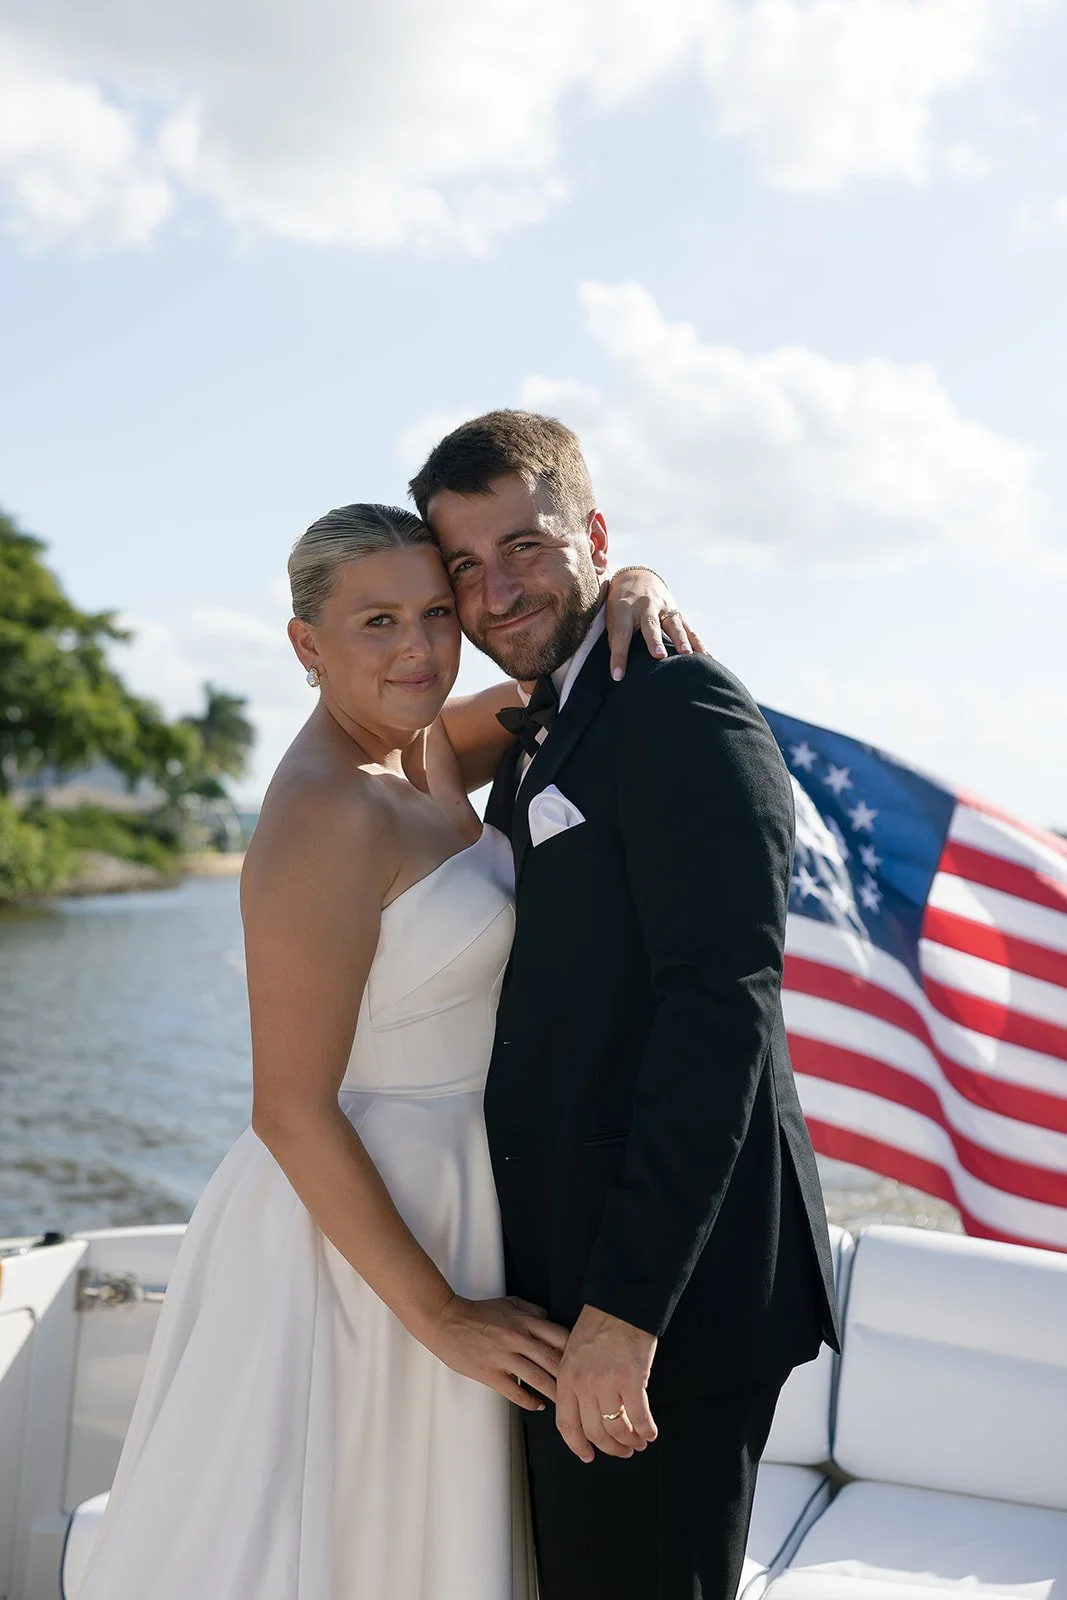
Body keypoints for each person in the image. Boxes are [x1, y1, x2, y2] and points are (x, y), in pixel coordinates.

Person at [72, 502, 699, 1600]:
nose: (416, 650)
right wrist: (441, 1315)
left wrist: (628, 585)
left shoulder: (417, 747)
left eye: (430, 614)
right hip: (360, 1235)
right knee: (335, 1538)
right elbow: (290, 1109)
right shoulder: (325, 812)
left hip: (461, 1195)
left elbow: (555, 689)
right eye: (374, 623)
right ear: (305, 645)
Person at [410, 410, 841, 1600]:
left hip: (665, 1304)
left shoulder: (678, 707)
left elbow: (720, 1019)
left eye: (527, 547)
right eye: (464, 566)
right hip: (560, 1285)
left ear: (590, 532)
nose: (496, 591)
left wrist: (623, 1312)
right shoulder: (550, 715)